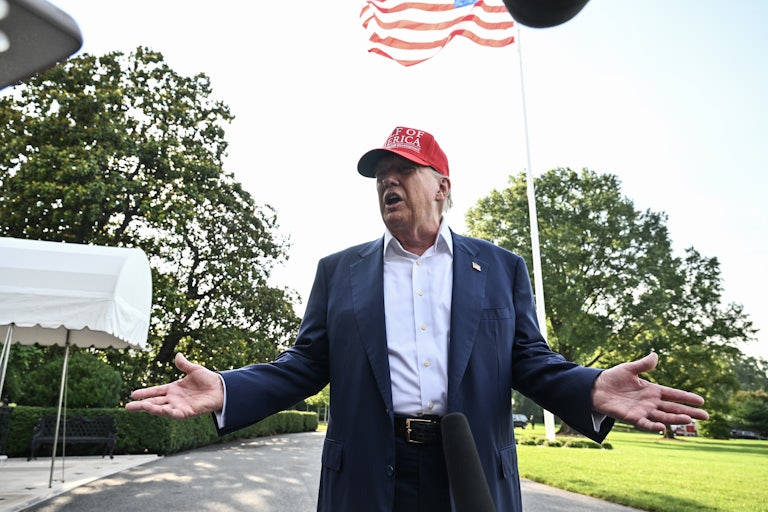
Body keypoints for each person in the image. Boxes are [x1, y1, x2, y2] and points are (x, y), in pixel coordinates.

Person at [126, 125, 709, 512]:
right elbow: (305, 364)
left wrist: (591, 386)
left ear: (442, 187)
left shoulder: (501, 268)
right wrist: (226, 388)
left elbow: (529, 361)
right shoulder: (340, 272)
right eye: (381, 173)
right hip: (371, 472)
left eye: (403, 167)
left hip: (471, 467)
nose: (387, 179)